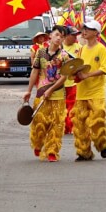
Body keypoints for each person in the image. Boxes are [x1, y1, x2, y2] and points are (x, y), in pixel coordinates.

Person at [23, 25, 71, 162]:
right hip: (41, 93)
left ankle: (52, 151)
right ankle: (38, 143)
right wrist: (28, 91)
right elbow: (35, 72)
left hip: (58, 94)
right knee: (39, 122)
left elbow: (64, 77)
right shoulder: (40, 52)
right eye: (57, 35)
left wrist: (51, 89)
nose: (59, 38)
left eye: (62, 36)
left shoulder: (64, 56)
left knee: (57, 124)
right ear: (50, 36)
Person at [72, 20, 106, 161]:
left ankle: (102, 144)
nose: (85, 31)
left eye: (88, 29)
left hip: (97, 91)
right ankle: (84, 152)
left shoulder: (101, 49)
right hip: (82, 91)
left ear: (96, 32)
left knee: (97, 120)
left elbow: (104, 69)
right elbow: (77, 66)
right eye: (84, 29)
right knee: (80, 124)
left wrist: (87, 75)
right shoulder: (81, 49)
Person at [62, 26, 81, 134]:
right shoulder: (59, 47)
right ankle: (64, 127)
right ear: (66, 36)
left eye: (76, 35)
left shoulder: (79, 47)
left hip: (73, 82)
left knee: (73, 105)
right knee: (62, 106)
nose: (75, 37)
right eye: (73, 35)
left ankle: (72, 125)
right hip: (60, 82)